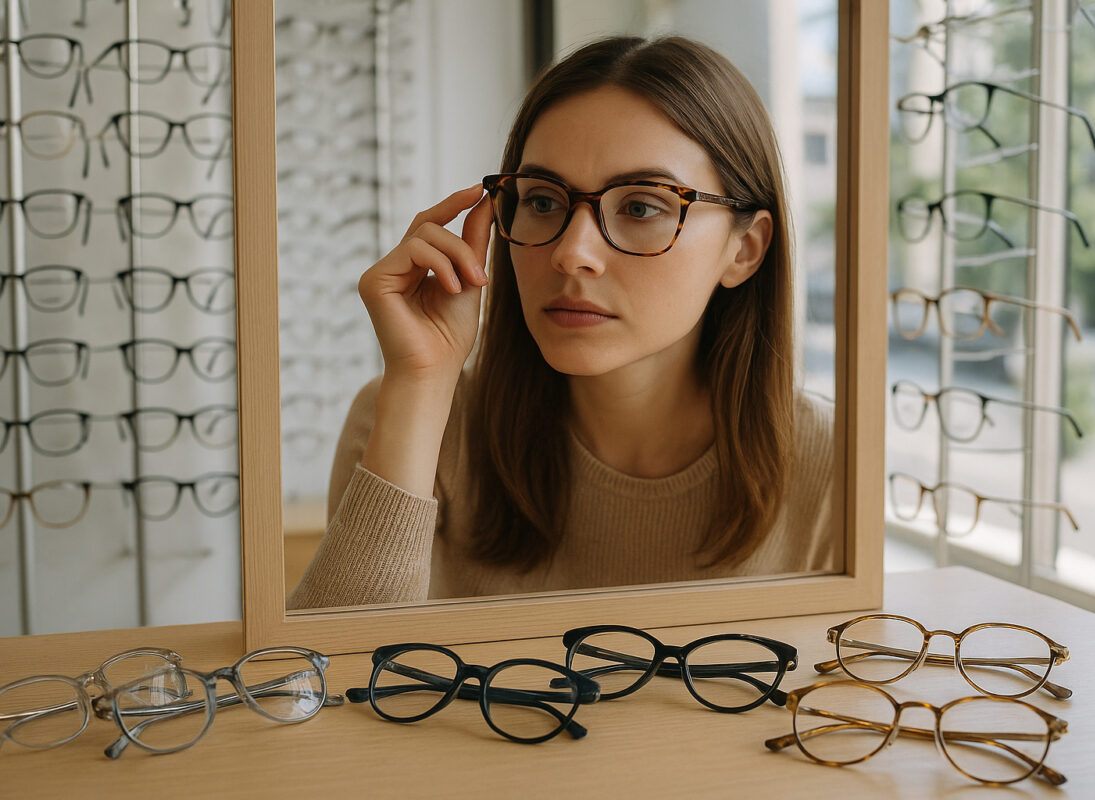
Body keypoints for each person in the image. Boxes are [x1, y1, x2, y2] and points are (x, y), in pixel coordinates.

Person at [288, 35, 837, 610]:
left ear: (744, 249)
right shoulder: (405, 416)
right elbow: (333, 679)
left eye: (641, 207)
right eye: (544, 201)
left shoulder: (828, 463)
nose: (571, 253)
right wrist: (421, 385)